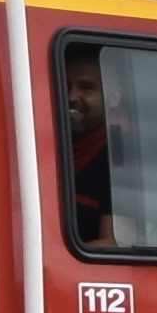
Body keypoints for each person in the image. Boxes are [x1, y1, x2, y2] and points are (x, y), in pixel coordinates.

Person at [63, 45, 115, 246]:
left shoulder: (120, 158)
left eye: (86, 87)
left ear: (113, 98)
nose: (72, 97)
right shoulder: (37, 147)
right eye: (66, 85)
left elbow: (113, 243)